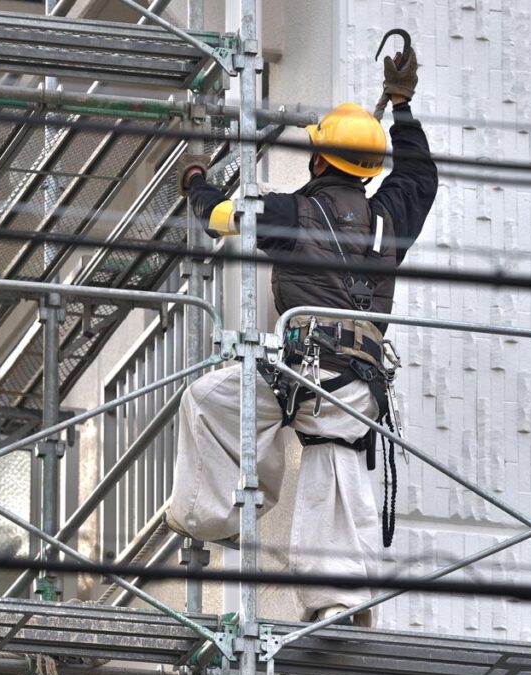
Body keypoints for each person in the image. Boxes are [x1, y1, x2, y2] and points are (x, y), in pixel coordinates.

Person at [167, 45, 437, 626]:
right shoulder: (390, 218)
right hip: (358, 380)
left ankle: (227, 513)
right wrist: (402, 108)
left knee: (210, 400)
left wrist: (195, 182)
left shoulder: (294, 213)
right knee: (333, 462)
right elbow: (419, 175)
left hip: (304, 370)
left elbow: (222, 219)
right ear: (368, 171)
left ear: (318, 161)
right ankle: (338, 598)